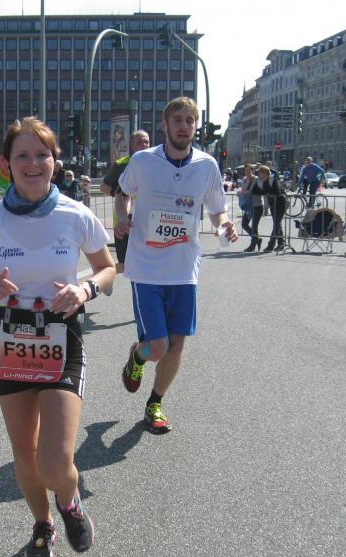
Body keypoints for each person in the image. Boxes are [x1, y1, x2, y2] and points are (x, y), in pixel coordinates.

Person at [0, 116, 115, 557]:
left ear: (54, 161)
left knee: (55, 460)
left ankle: (69, 502)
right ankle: (43, 525)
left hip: (62, 334)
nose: (33, 163)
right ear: (6, 164)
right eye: (22, 155)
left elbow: (107, 268)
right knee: (24, 455)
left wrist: (85, 289)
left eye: (41, 154)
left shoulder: (76, 214)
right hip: (12, 338)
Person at [114, 96, 236, 433]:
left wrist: (225, 224)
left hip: (184, 269)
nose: (184, 126)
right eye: (178, 120)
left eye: (189, 120)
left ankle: (154, 404)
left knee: (177, 345)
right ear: (165, 125)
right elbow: (122, 194)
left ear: (195, 126)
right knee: (158, 346)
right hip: (147, 267)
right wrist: (122, 218)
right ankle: (138, 356)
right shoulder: (143, 161)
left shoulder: (207, 165)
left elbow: (217, 209)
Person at [101, 129, 151, 275]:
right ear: (132, 145)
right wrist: (118, 192)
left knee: (143, 262)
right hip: (123, 219)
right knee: (124, 264)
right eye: (139, 142)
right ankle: (102, 275)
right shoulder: (122, 164)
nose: (143, 145)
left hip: (147, 220)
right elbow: (104, 187)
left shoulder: (156, 164)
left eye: (146, 142)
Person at [252, 165, 287, 253]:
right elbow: (254, 191)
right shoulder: (261, 182)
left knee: (276, 224)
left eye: (259, 173)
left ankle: (270, 246)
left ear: (264, 173)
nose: (258, 174)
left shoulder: (273, 180)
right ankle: (281, 243)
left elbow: (278, 192)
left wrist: (267, 192)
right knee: (277, 224)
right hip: (272, 204)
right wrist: (267, 193)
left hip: (280, 203)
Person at [237, 163, 260, 252]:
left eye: (249, 170)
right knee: (244, 224)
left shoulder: (256, 179)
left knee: (254, 226)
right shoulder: (245, 179)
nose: (247, 172)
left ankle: (253, 245)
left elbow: (250, 191)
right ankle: (257, 239)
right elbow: (244, 189)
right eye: (246, 170)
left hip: (256, 204)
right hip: (248, 205)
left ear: (252, 170)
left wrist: (242, 192)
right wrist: (247, 180)